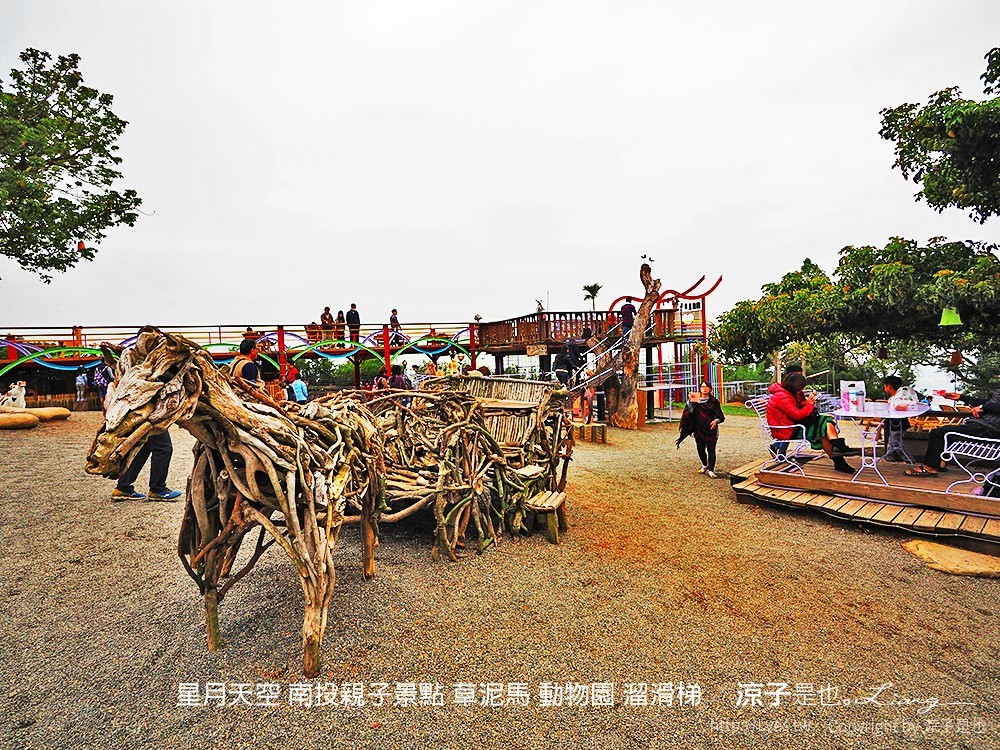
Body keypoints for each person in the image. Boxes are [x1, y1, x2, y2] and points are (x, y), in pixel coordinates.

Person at [111, 326, 181, 502]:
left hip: (130, 410)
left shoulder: (128, 355)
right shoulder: (142, 360)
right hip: (144, 410)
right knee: (164, 447)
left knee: (145, 446)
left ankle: (123, 487)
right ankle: (158, 489)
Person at [766, 372, 857, 474]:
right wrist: (809, 404)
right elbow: (797, 414)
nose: (802, 390)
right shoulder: (782, 396)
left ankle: (839, 452)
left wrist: (808, 401)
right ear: (795, 386)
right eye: (801, 388)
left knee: (825, 422)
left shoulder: (791, 393)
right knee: (822, 429)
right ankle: (839, 454)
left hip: (794, 425)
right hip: (787, 429)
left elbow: (800, 408)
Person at [907, 385, 1000, 477]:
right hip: (984, 426)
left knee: (938, 433)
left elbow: (991, 405)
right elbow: (989, 402)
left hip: (988, 427)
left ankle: (929, 468)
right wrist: (960, 397)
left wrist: (983, 407)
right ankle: (940, 464)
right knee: (947, 433)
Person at [676, 380, 726, 478]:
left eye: (707, 387)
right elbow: (689, 411)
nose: (704, 389)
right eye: (702, 387)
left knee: (711, 450)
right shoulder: (696, 400)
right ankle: (705, 465)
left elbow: (720, 416)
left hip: (711, 430)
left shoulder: (714, 402)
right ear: (700, 388)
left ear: (710, 389)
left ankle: (711, 470)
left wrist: (716, 421)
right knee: (700, 448)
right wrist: (690, 401)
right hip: (698, 429)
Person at [882, 375, 914, 462]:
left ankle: (909, 459)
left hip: (898, 423)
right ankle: (890, 458)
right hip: (896, 423)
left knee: (896, 443)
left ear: (889, 386)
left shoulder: (897, 399)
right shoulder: (896, 398)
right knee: (892, 441)